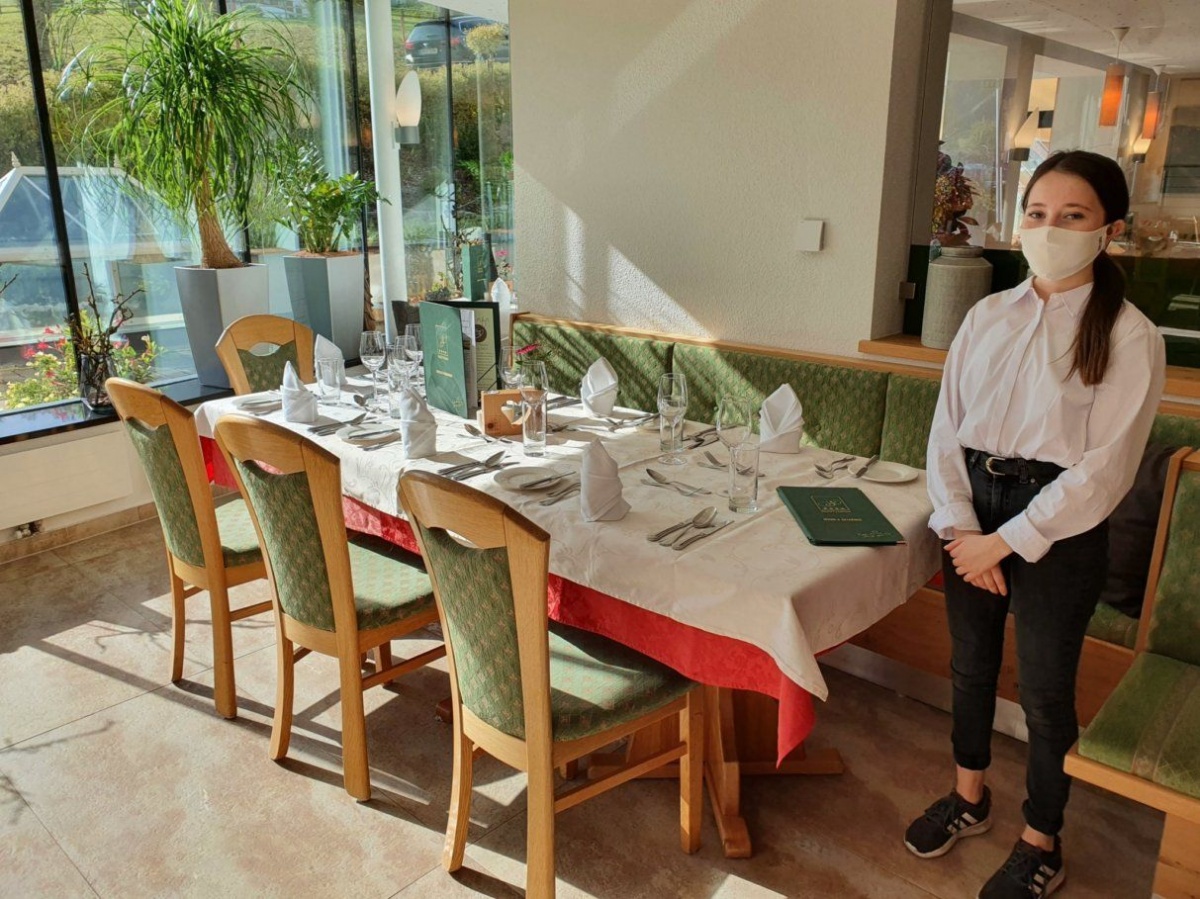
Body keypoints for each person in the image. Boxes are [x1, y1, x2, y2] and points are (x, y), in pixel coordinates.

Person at [907, 150, 1166, 899]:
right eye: (1038, 213)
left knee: (1046, 692)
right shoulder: (986, 315)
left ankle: (1041, 838)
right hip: (973, 509)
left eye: (1072, 216)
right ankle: (968, 795)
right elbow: (946, 429)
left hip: (1060, 522)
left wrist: (1006, 540)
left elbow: (1104, 469)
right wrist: (962, 529)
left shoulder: (1130, 335)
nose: (1050, 229)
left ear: (1109, 231)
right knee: (970, 666)